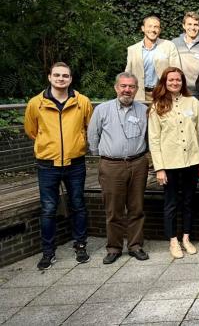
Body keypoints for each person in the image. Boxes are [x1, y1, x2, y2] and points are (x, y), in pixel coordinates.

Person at [24, 62, 93, 269]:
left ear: (70, 79)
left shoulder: (82, 102)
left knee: (78, 204)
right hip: (47, 164)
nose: (61, 78)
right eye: (57, 75)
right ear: (49, 77)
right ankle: (48, 252)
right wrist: (47, 144)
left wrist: (78, 142)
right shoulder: (36, 103)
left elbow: (89, 126)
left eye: (65, 75)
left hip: (75, 162)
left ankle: (80, 245)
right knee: (48, 208)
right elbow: (31, 130)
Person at [87, 72, 149, 264]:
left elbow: (149, 135)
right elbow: (93, 135)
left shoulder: (144, 110)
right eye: (123, 86)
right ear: (116, 88)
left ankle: (135, 245)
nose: (127, 90)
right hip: (111, 165)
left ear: (136, 89)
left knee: (136, 207)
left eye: (131, 86)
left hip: (138, 163)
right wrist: (104, 154)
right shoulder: (102, 110)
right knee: (113, 209)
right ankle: (114, 248)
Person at [147, 67, 199, 259]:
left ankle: (186, 238)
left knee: (188, 202)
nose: (174, 83)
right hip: (169, 163)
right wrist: (159, 168)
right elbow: (154, 139)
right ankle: (173, 240)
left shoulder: (193, 102)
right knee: (171, 203)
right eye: (170, 80)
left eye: (178, 80)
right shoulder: (157, 106)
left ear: (183, 82)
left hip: (192, 161)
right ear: (164, 82)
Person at [125, 15, 180, 102]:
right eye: (149, 26)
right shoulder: (132, 49)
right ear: (143, 28)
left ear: (160, 30)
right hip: (139, 95)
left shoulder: (169, 46)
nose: (153, 30)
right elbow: (127, 75)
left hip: (163, 93)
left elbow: (177, 71)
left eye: (156, 27)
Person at [171, 11, 199, 97]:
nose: (192, 27)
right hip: (178, 91)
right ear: (184, 25)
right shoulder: (173, 43)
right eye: (189, 24)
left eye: (195, 25)